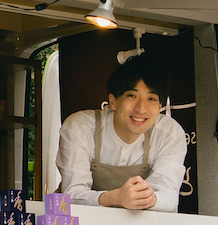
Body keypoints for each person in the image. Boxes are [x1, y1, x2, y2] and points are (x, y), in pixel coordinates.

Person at [53, 55, 190, 211]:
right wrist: (116, 198)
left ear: (160, 107)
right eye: (132, 95)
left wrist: (148, 199)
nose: (141, 109)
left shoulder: (170, 134)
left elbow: (168, 195)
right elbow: (72, 194)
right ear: (113, 101)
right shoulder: (81, 127)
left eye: (151, 98)